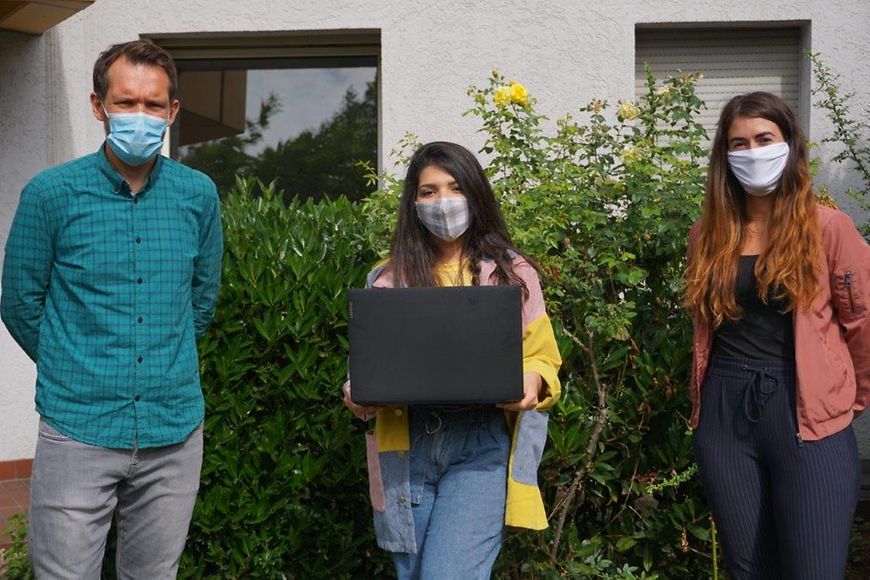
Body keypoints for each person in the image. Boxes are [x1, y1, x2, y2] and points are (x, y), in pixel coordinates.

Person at [1, 40, 223, 578]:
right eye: (126, 103)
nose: (139, 117)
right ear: (98, 105)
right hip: (78, 427)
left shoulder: (198, 195)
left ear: (172, 112)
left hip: (173, 429)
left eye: (153, 105)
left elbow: (201, 298)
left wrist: (160, 360)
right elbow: (20, 301)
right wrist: (72, 364)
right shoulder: (51, 194)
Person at [342, 141, 561, 579]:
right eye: (429, 191)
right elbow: (365, 366)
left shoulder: (512, 274)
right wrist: (357, 392)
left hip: (479, 447)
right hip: (405, 449)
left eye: (455, 187)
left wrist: (532, 383)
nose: (443, 202)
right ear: (413, 202)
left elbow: (542, 358)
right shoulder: (387, 279)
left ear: (475, 194)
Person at [684, 91, 870, 579]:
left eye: (764, 139)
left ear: (789, 144)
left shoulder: (829, 229)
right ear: (724, 157)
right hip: (724, 410)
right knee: (749, 570)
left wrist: (848, 399)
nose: (752, 152)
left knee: (815, 568)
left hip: (807, 412)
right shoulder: (707, 234)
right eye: (738, 143)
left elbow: (863, 323)